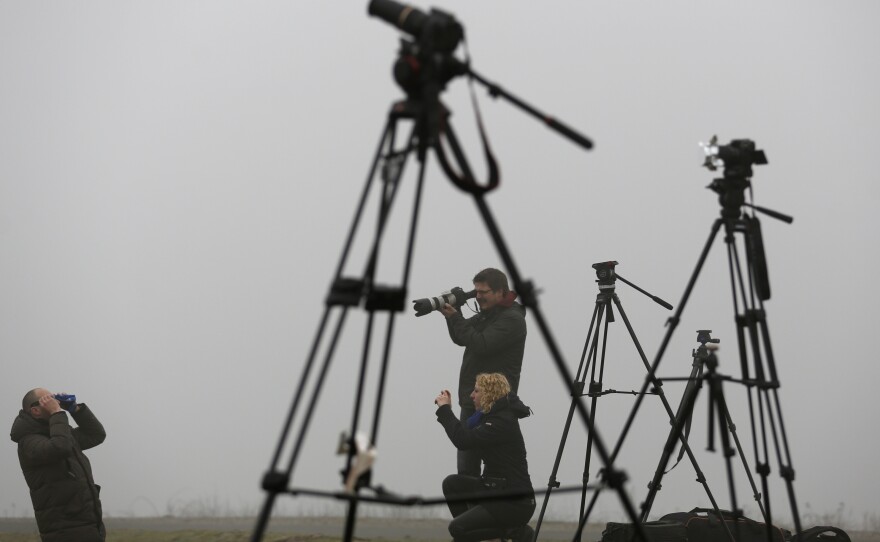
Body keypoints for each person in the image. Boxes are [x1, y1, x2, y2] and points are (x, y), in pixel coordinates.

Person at [439, 267, 527, 476]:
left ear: (500, 292)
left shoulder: (512, 319)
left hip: (496, 406)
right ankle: (472, 509)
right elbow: (462, 337)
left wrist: (455, 318)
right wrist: (453, 314)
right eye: (476, 292)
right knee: (466, 471)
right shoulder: (488, 314)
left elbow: (482, 344)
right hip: (473, 400)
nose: (478, 297)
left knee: (495, 469)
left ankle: (491, 508)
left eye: (483, 292)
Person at [434, 372, 535, 542]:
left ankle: (516, 531)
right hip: (494, 489)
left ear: (489, 394)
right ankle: (477, 531)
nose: (471, 395)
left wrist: (444, 410)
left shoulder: (501, 422)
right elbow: (464, 433)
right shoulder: (487, 418)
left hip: (514, 502)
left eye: (476, 391)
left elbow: (463, 440)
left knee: (457, 529)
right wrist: (448, 410)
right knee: (452, 484)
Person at [9, 388, 107, 542]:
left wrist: (75, 409)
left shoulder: (60, 433)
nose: (54, 402)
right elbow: (60, 447)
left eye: (52, 398)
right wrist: (57, 413)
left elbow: (95, 435)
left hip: (87, 525)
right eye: (47, 400)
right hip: (64, 531)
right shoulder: (28, 442)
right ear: (35, 411)